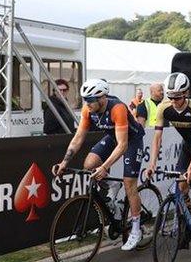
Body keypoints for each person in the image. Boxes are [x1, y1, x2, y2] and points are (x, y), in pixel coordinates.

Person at [52, 79, 147, 251]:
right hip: (113, 136)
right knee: (89, 164)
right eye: (84, 100)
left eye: (89, 100)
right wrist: (64, 162)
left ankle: (135, 229)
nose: (86, 104)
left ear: (102, 98)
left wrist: (104, 167)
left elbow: (123, 145)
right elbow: (78, 138)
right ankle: (112, 186)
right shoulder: (88, 110)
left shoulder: (117, 108)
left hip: (131, 140)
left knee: (129, 183)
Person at [147, 73, 191, 220]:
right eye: (170, 97)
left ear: (186, 93)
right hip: (188, 145)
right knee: (181, 186)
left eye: (177, 97)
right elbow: (157, 139)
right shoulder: (163, 108)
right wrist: (152, 164)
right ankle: (189, 214)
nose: (173, 101)